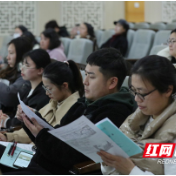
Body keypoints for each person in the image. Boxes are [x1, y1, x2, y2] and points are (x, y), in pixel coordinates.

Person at [2, 48, 136, 175]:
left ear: (112, 82)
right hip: (42, 163)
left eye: (92, 77)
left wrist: (40, 134)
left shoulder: (115, 112)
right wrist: (31, 120)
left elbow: (72, 156)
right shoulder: (84, 103)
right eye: (86, 75)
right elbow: (57, 133)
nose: (85, 82)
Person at [99, 55, 176, 175]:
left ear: (167, 90)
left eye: (142, 93)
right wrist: (108, 160)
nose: (136, 99)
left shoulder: (172, 131)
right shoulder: (134, 120)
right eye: (134, 91)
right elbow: (107, 170)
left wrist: (130, 170)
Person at [0, 60, 84, 144]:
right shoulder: (53, 103)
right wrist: (7, 137)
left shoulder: (75, 110)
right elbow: (30, 131)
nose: (47, 93)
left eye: (49, 89)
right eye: (45, 88)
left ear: (64, 86)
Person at [0, 49, 51, 130]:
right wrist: (6, 117)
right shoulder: (27, 88)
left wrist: (6, 121)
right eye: (22, 64)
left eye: (27, 66)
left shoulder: (44, 95)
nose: (22, 69)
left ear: (40, 70)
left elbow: (29, 122)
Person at [0, 37, 32, 114]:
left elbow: (10, 95)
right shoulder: (11, 70)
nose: (8, 57)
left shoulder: (27, 75)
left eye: (11, 53)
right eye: (8, 53)